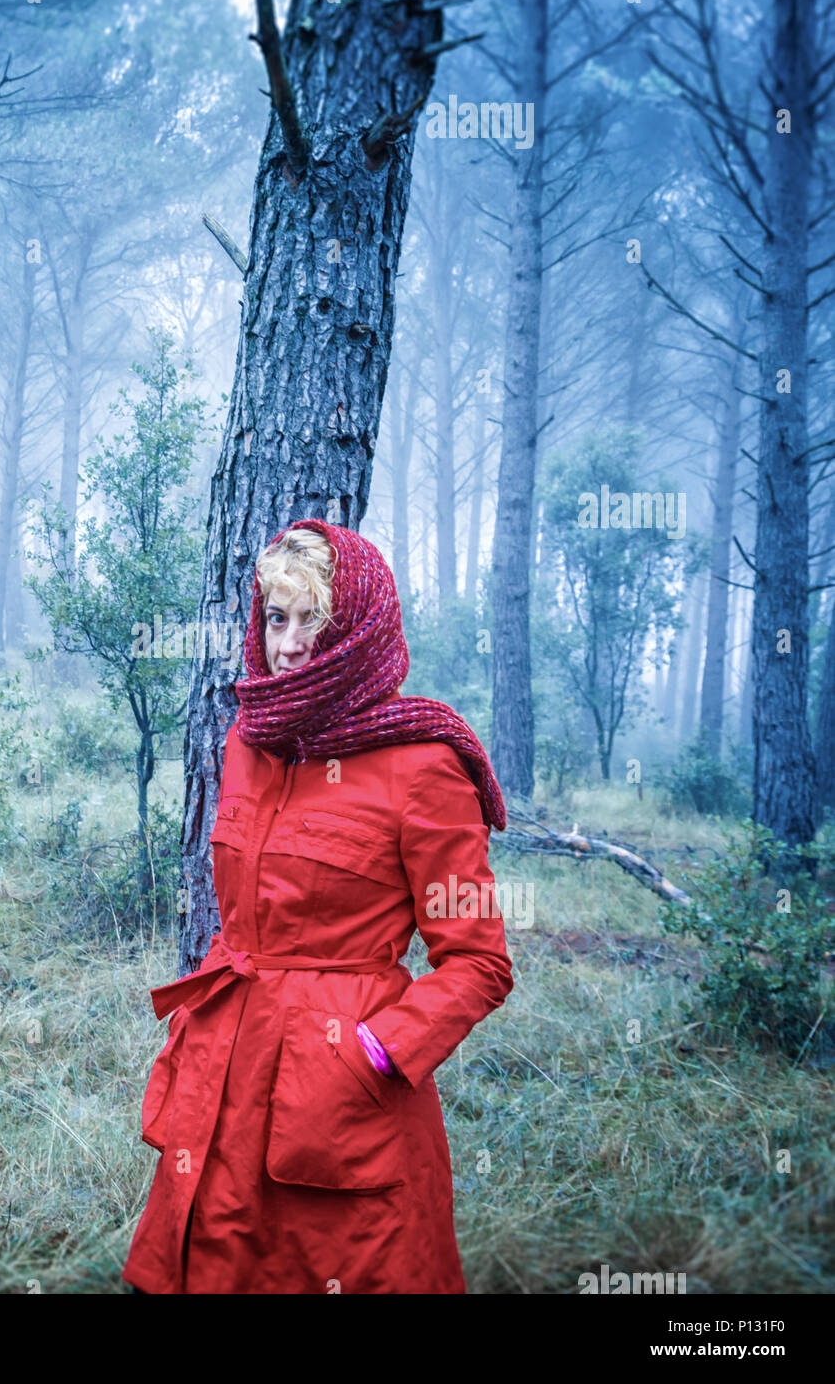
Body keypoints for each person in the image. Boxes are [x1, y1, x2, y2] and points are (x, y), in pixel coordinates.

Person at [121, 517, 514, 1294]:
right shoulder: (249, 739)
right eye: (276, 619)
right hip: (223, 1069)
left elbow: (479, 962)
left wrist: (378, 1051)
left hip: (337, 1096)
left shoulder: (425, 765)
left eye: (314, 620)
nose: (289, 644)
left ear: (359, 630)